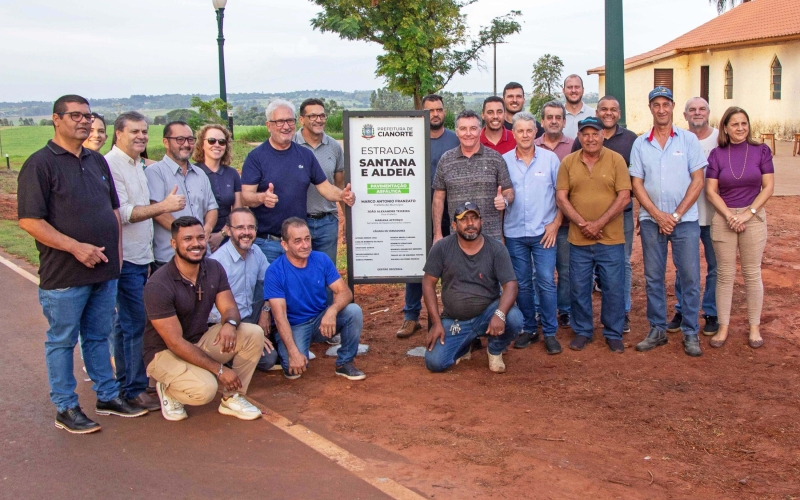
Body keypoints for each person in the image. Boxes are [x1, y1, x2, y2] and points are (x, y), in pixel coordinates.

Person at [18, 95, 147, 434]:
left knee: (97, 335)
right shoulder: (40, 164)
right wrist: (76, 248)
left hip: (105, 270)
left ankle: (107, 396)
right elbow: (31, 221)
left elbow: (114, 212)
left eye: (88, 115)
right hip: (65, 274)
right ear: (56, 119)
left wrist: (116, 256)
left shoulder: (96, 161)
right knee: (62, 340)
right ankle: (66, 406)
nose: (84, 121)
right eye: (75, 115)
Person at [143, 216, 265, 422]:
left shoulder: (213, 268)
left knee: (252, 333)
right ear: (174, 244)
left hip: (197, 341)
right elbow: (174, 342)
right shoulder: (159, 285)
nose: (196, 244)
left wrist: (230, 324)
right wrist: (219, 370)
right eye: (187, 239)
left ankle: (232, 397)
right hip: (163, 352)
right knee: (206, 388)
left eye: (200, 237)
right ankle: (168, 389)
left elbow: (230, 308)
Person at [106, 111, 186, 411]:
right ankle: (133, 388)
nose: (140, 136)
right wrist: (164, 206)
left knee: (126, 323)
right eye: (134, 132)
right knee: (134, 323)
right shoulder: (112, 165)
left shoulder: (138, 164)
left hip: (143, 257)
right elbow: (125, 212)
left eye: (144, 131)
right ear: (119, 133)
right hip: (126, 258)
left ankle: (126, 383)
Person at [630, 87, 707, 357]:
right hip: (652, 221)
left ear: (673, 106)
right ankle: (657, 329)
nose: (661, 109)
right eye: (656, 104)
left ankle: (690, 332)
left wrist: (674, 216)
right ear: (650, 108)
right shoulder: (641, 143)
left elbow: (698, 180)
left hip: (685, 221)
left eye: (666, 104)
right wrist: (657, 214)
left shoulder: (687, 140)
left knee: (689, 277)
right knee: (653, 277)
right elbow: (636, 183)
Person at [241, 99, 355, 263]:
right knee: (269, 287)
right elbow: (245, 196)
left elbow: (324, 187)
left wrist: (341, 195)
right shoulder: (256, 157)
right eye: (280, 121)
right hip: (268, 243)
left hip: (297, 243)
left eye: (289, 121)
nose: (286, 126)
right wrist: (261, 198)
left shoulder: (305, 155)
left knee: (302, 286)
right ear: (268, 125)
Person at [556, 117, 630, 353]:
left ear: (602, 135)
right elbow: (561, 197)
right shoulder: (568, 162)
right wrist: (581, 223)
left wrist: (598, 223)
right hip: (578, 239)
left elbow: (624, 197)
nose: (590, 138)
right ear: (579, 137)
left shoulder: (616, 160)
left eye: (595, 133)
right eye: (585, 134)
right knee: (578, 286)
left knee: (613, 286)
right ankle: (583, 331)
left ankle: (613, 332)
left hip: (611, 238)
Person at [423, 202, 523, 373]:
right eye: (464, 220)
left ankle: (495, 349)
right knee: (435, 363)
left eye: (474, 218)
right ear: (454, 225)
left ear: (481, 222)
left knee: (514, 318)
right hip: (455, 320)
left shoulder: (496, 248)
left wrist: (499, 314)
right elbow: (428, 282)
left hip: (487, 315)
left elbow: (511, 285)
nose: (470, 224)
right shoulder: (442, 248)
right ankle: (464, 344)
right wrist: (436, 323)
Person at [705, 107, 774, 349]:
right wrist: (729, 215)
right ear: (725, 127)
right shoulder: (716, 154)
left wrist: (747, 214)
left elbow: (768, 187)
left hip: (753, 217)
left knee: (752, 273)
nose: (741, 128)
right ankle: (723, 327)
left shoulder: (761, 151)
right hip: (724, 218)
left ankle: (754, 327)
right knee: (725, 275)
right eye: (735, 124)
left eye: (744, 123)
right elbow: (711, 191)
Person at [264, 217, 366, 381]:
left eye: (307, 239)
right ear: (284, 244)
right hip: (294, 325)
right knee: (294, 371)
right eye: (297, 241)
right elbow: (280, 316)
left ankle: (345, 363)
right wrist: (293, 352)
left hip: (320, 320)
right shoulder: (275, 271)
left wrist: (332, 311)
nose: (305, 245)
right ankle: (284, 349)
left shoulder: (321, 259)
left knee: (354, 311)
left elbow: (345, 292)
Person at [571, 95, 639, 332]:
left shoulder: (630, 141)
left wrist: (600, 222)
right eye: (604, 109)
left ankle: (620, 318)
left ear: (619, 113)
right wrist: (584, 223)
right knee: (582, 277)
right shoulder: (576, 151)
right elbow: (564, 192)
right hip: (580, 228)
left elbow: (632, 186)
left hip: (620, 218)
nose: (609, 113)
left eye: (613, 109)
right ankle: (582, 326)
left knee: (619, 269)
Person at [396, 94, 460, 339]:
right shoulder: (413, 138)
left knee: (451, 263)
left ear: (445, 112)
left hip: (450, 209)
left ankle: (446, 315)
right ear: (422, 113)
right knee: (417, 262)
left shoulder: (454, 139)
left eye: (439, 109)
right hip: (416, 209)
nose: (435, 114)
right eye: (430, 110)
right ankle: (411, 316)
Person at [503, 112, 563, 354]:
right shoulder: (504, 161)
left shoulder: (550, 160)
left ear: (536, 132)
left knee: (547, 281)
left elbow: (562, 196)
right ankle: (529, 329)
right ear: (514, 134)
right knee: (523, 284)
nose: (525, 135)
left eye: (529, 130)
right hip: (515, 233)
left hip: (544, 232)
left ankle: (550, 332)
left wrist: (556, 223)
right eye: (520, 131)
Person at [667, 97, 720, 335]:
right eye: (692, 110)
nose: (697, 113)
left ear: (709, 113)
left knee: (715, 266)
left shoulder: (721, 138)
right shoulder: (677, 139)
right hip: (684, 216)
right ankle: (683, 310)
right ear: (685, 115)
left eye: (702, 109)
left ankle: (710, 311)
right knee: (684, 267)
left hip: (713, 214)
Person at [209, 208, 278, 370]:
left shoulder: (256, 252)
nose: (246, 232)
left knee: (282, 300)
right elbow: (213, 314)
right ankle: (221, 358)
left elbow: (272, 281)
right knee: (269, 359)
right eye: (240, 227)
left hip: (249, 313)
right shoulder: (217, 263)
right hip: (224, 322)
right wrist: (251, 333)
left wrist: (266, 309)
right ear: (227, 230)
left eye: (251, 227)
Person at [432, 110, 514, 243]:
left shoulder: (495, 158)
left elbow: (509, 191)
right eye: (463, 129)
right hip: (458, 239)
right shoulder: (446, 160)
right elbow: (438, 198)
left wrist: (504, 200)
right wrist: (437, 234)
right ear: (457, 131)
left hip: (491, 238)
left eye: (473, 128)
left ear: (480, 131)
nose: (468, 133)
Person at [146, 121, 218, 269]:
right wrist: (187, 236)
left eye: (190, 139)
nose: (186, 144)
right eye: (180, 139)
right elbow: (156, 210)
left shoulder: (200, 174)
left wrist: (208, 227)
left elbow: (211, 207)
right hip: (169, 259)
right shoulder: (155, 172)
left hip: (201, 257)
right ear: (166, 142)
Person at [535, 100, 575, 329]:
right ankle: (541, 310)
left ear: (564, 121)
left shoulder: (573, 146)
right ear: (542, 121)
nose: (553, 121)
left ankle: (565, 310)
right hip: (541, 224)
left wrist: (561, 218)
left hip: (567, 223)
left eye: (558, 117)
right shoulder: (532, 145)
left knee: (566, 270)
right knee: (542, 273)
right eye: (549, 117)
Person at [294, 98, 345, 265]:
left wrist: (347, 220)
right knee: (299, 272)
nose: (319, 120)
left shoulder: (334, 147)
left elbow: (340, 186)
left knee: (325, 272)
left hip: (327, 222)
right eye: (313, 116)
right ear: (301, 119)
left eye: (322, 116)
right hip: (297, 221)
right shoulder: (291, 145)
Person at [193, 124, 241, 253]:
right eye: (211, 141)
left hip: (226, 239)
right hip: (197, 239)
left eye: (221, 142)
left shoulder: (232, 174)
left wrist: (222, 234)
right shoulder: (193, 172)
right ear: (202, 144)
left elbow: (237, 210)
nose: (217, 145)